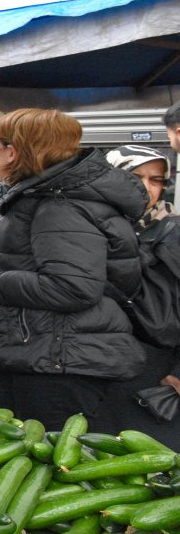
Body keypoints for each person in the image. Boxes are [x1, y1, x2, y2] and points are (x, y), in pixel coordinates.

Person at [0, 109, 146, 429]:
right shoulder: (50, 197)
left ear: (12, 152)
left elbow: (72, 287)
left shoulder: (59, 204)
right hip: (47, 356)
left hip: (56, 362)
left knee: (51, 465)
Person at [101, 145, 180, 448]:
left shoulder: (172, 230)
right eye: (135, 176)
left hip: (158, 370)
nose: (147, 187)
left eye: (156, 179)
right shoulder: (87, 227)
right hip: (100, 366)